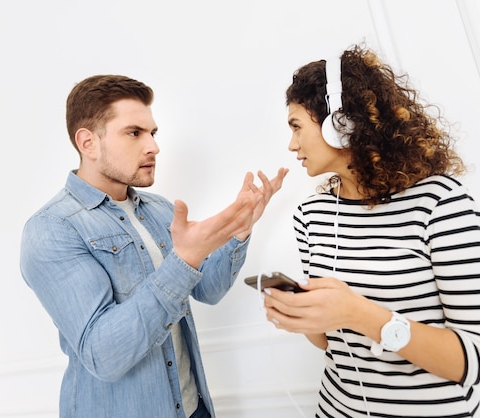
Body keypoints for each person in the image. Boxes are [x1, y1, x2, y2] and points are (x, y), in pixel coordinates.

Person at [19, 74, 288, 418]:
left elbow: (208, 289)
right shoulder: (52, 229)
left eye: (153, 133)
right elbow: (104, 354)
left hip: (192, 407)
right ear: (88, 143)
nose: (153, 146)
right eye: (134, 133)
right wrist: (186, 258)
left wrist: (239, 230)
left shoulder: (158, 209)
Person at [262, 43, 480, 417]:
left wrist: (361, 314)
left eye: (297, 127)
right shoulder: (313, 213)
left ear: (340, 124)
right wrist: (302, 315)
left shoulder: (441, 205)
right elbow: (332, 344)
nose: (291, 144)